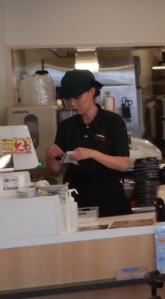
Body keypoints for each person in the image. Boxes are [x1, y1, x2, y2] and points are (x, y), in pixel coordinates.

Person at [46, 69, 132, 218]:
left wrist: (92, 153)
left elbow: (123, 164)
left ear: (92, 92)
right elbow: (56, 171)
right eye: (68, 99)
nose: (72, 103)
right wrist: (50, 156)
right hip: (76, 198)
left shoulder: (113, 121)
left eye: (77, 98)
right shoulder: (66, 126)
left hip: (109, 197)